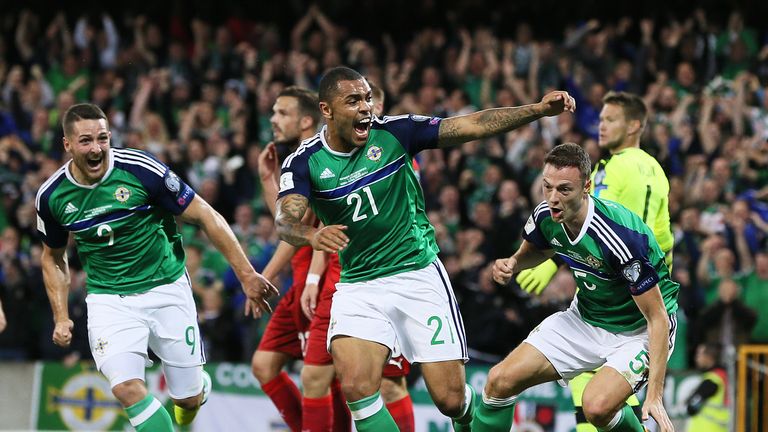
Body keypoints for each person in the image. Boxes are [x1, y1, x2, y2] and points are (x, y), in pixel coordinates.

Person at [275, 66, 575, 431]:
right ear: (327, 110)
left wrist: (536, 110)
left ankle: (467, 419)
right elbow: (284, 220)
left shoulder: (394, 133)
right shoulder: (304, 162)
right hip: (359, 285)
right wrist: (310, 237)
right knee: (357, 387)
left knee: (449, 399)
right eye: (353, 100)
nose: (365, 108)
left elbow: (470, 126)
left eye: (367, 98)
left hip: (416, 274)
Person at [36, 103, 277, 432]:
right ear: (67, 144)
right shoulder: (52, 196)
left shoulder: (140, 169)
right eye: (86, 141)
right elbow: (52, 257)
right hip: (109, 299)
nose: (97, 149)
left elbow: (205, 214)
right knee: (126, 388)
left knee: (187, 400)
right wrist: (61, 315)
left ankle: (197, 389)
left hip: (166, 288)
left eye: (103, 139)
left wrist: (246, 273)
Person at [483, 143, 678, 432]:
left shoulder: (619, 237)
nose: (553, 198)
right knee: (499, 381)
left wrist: (655, 395)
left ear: (587, 186)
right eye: (547, 187)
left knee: (596, 408)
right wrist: (514, 263)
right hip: (585, 318)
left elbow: (657, 317)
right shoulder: (545, 215)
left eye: (564, 190)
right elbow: (539, 247)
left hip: (637, 330)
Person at [685, 343, 729, 432]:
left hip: (706, 428)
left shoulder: (712, 380)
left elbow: (691, 407)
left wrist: (689, 400)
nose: (696, 359)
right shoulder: (721, 376)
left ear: (708, 357)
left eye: (699, 355)